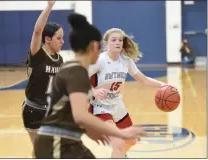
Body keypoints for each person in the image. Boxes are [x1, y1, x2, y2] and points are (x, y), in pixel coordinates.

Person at [34, 13, 145, 159]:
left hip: (67, 140)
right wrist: (121, 133)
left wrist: (88, 130)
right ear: (94, 46)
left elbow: (70, 110)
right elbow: (80, 115)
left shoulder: (75, 69)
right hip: (56, 141)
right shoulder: (76, 72)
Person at [88, 28, 172, 158]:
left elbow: (143, 79)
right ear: (106, 43)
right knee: (118, 142)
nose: (118, 42)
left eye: (120, 40)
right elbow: (78, 78)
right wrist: (93, 90)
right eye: (114, 40)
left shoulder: (126, 61)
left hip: (117, 105)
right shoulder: (99, 60)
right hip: (100, 107)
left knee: (131, 140)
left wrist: (163, 85)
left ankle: (119, 155)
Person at [21, 0, 64, 156]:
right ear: (47, 39)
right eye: (59, 38)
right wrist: (50, 6)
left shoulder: (59, 59)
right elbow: (38, 30)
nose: (62, 41)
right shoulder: (38, 56)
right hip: (34, 110)